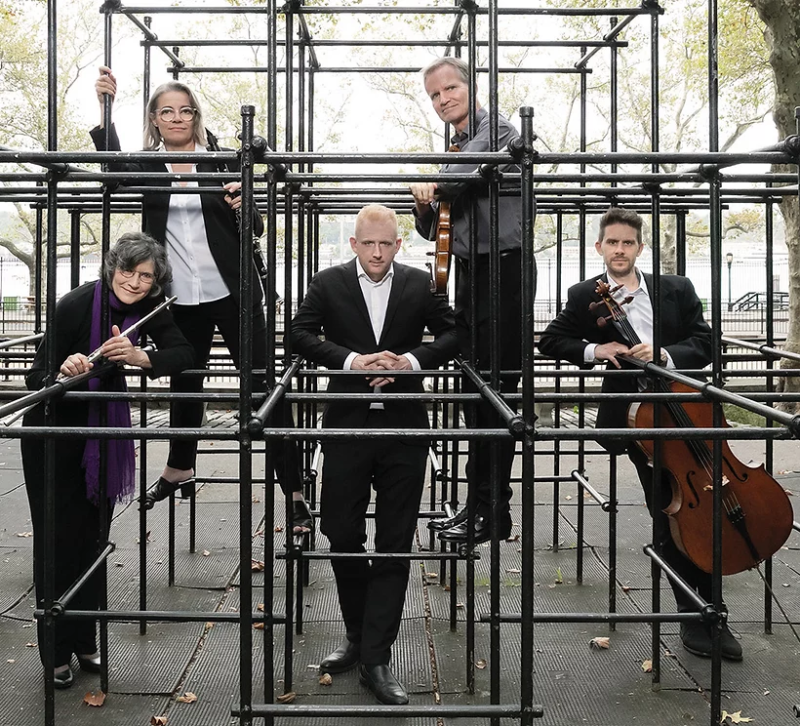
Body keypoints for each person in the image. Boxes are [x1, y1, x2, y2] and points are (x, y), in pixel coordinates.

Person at [91, 67, 312, 533]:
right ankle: (179, 467)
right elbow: (113, 177)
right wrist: (106, 108)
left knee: (263, 388)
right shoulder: (148, 164)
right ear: (154, 119)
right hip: (178, 295)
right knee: (183, 380)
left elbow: (254, 227)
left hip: (233, 291)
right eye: (166, 112)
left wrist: (240, 203)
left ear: (195, 117)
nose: (177, 118)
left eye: (185, 111)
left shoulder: (223, 160)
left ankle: (293, 490)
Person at [537, 206, 742, 661]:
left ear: (639, 248)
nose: (619, 250)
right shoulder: (583, 295)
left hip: (686, 407)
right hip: (638, 421)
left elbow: (706, 343)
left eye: (627, 243)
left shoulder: (675, 289)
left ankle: (714, 612)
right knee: (673, 514)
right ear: (599, 248)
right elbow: (551, 340)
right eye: (612, 242)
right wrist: (598, 348)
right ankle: (697, 615)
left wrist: (665, 354)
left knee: (705, 510)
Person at [290, 205, 458, 704]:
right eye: (369, 244)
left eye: (387, 244)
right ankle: (360, 637)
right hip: (346, 425)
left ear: (399, 244)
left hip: (405, 428)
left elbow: (455, 333)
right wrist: (350, 362)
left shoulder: (421, 284)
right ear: (354, 243)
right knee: (341, 531)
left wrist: (408, 362)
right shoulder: (327, 283)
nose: (378, 253)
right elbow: (297, 333)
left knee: (394, 540)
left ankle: (376, 657)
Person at [22, 233, 194, 689]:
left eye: (146, 277)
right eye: (128, 272)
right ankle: (54, 650)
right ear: (111, 266)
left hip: (102, 435)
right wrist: (64, 370)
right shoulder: (76, 304)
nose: (135, 283)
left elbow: (185, 353)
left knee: (93, 541)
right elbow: (35, 374)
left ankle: (85, 640)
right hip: (54, 435)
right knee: (58, 542)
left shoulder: (147, 312)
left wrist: (142, 356)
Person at [409, 56, 530, 544]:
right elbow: (431, 223)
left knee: (495, 394)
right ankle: (479, 506)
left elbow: (455, 182)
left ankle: (491, 510)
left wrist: (434, 185)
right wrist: (425, 199)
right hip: (470, 270)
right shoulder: (459, 146)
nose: (444, 99)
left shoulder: (497, 131)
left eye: (450, 88)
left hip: (504, 268)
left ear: (470, 86)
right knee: (475, 395)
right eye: (435, 95)